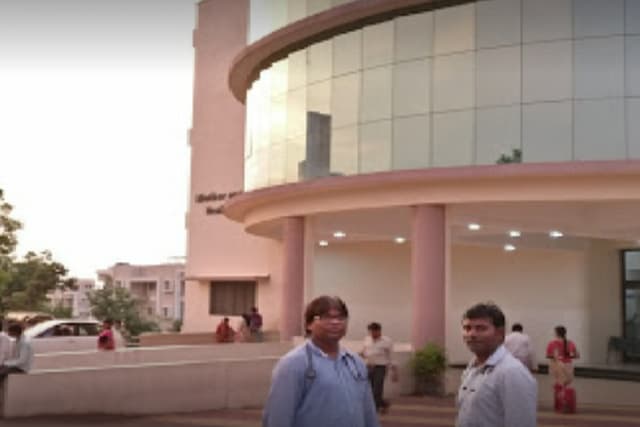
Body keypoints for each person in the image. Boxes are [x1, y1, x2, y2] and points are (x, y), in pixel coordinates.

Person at [262, 295, 380, 427]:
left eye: (340, 317)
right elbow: (278, 416)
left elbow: (368, 411)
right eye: (326, 317)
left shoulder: (356, 363)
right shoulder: (293, 364)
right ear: (309, 324)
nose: (335, 322)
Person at [456, 303, 537, 427]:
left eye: (481, 328)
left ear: (500, 334)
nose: (472, 334)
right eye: (467, 328)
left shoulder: (512, 372)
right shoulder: (472, 368)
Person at [360, 322, 398, 414]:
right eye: (370, 332)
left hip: (380, 367)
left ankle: (374, 410)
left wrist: (394, 371)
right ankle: (384, 404)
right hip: (369, 366)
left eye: (374, 332)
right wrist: (359, 355)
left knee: (377, 388)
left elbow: (391, 357)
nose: (372, 334)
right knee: (368, 389)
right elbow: (364, 352)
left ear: (379, 331)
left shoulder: (387, 341)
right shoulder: (367, 339)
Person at [546, 325, 579, 413]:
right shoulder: (570, 343)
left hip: (558, 366)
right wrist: (568, 355)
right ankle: (565, 403)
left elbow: (549, 356)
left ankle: (560, 405)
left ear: (556, 333)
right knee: (564, 385)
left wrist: (557, 357)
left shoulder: (552, 344)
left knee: (558, 385)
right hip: (568, 366)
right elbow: (576, 355)